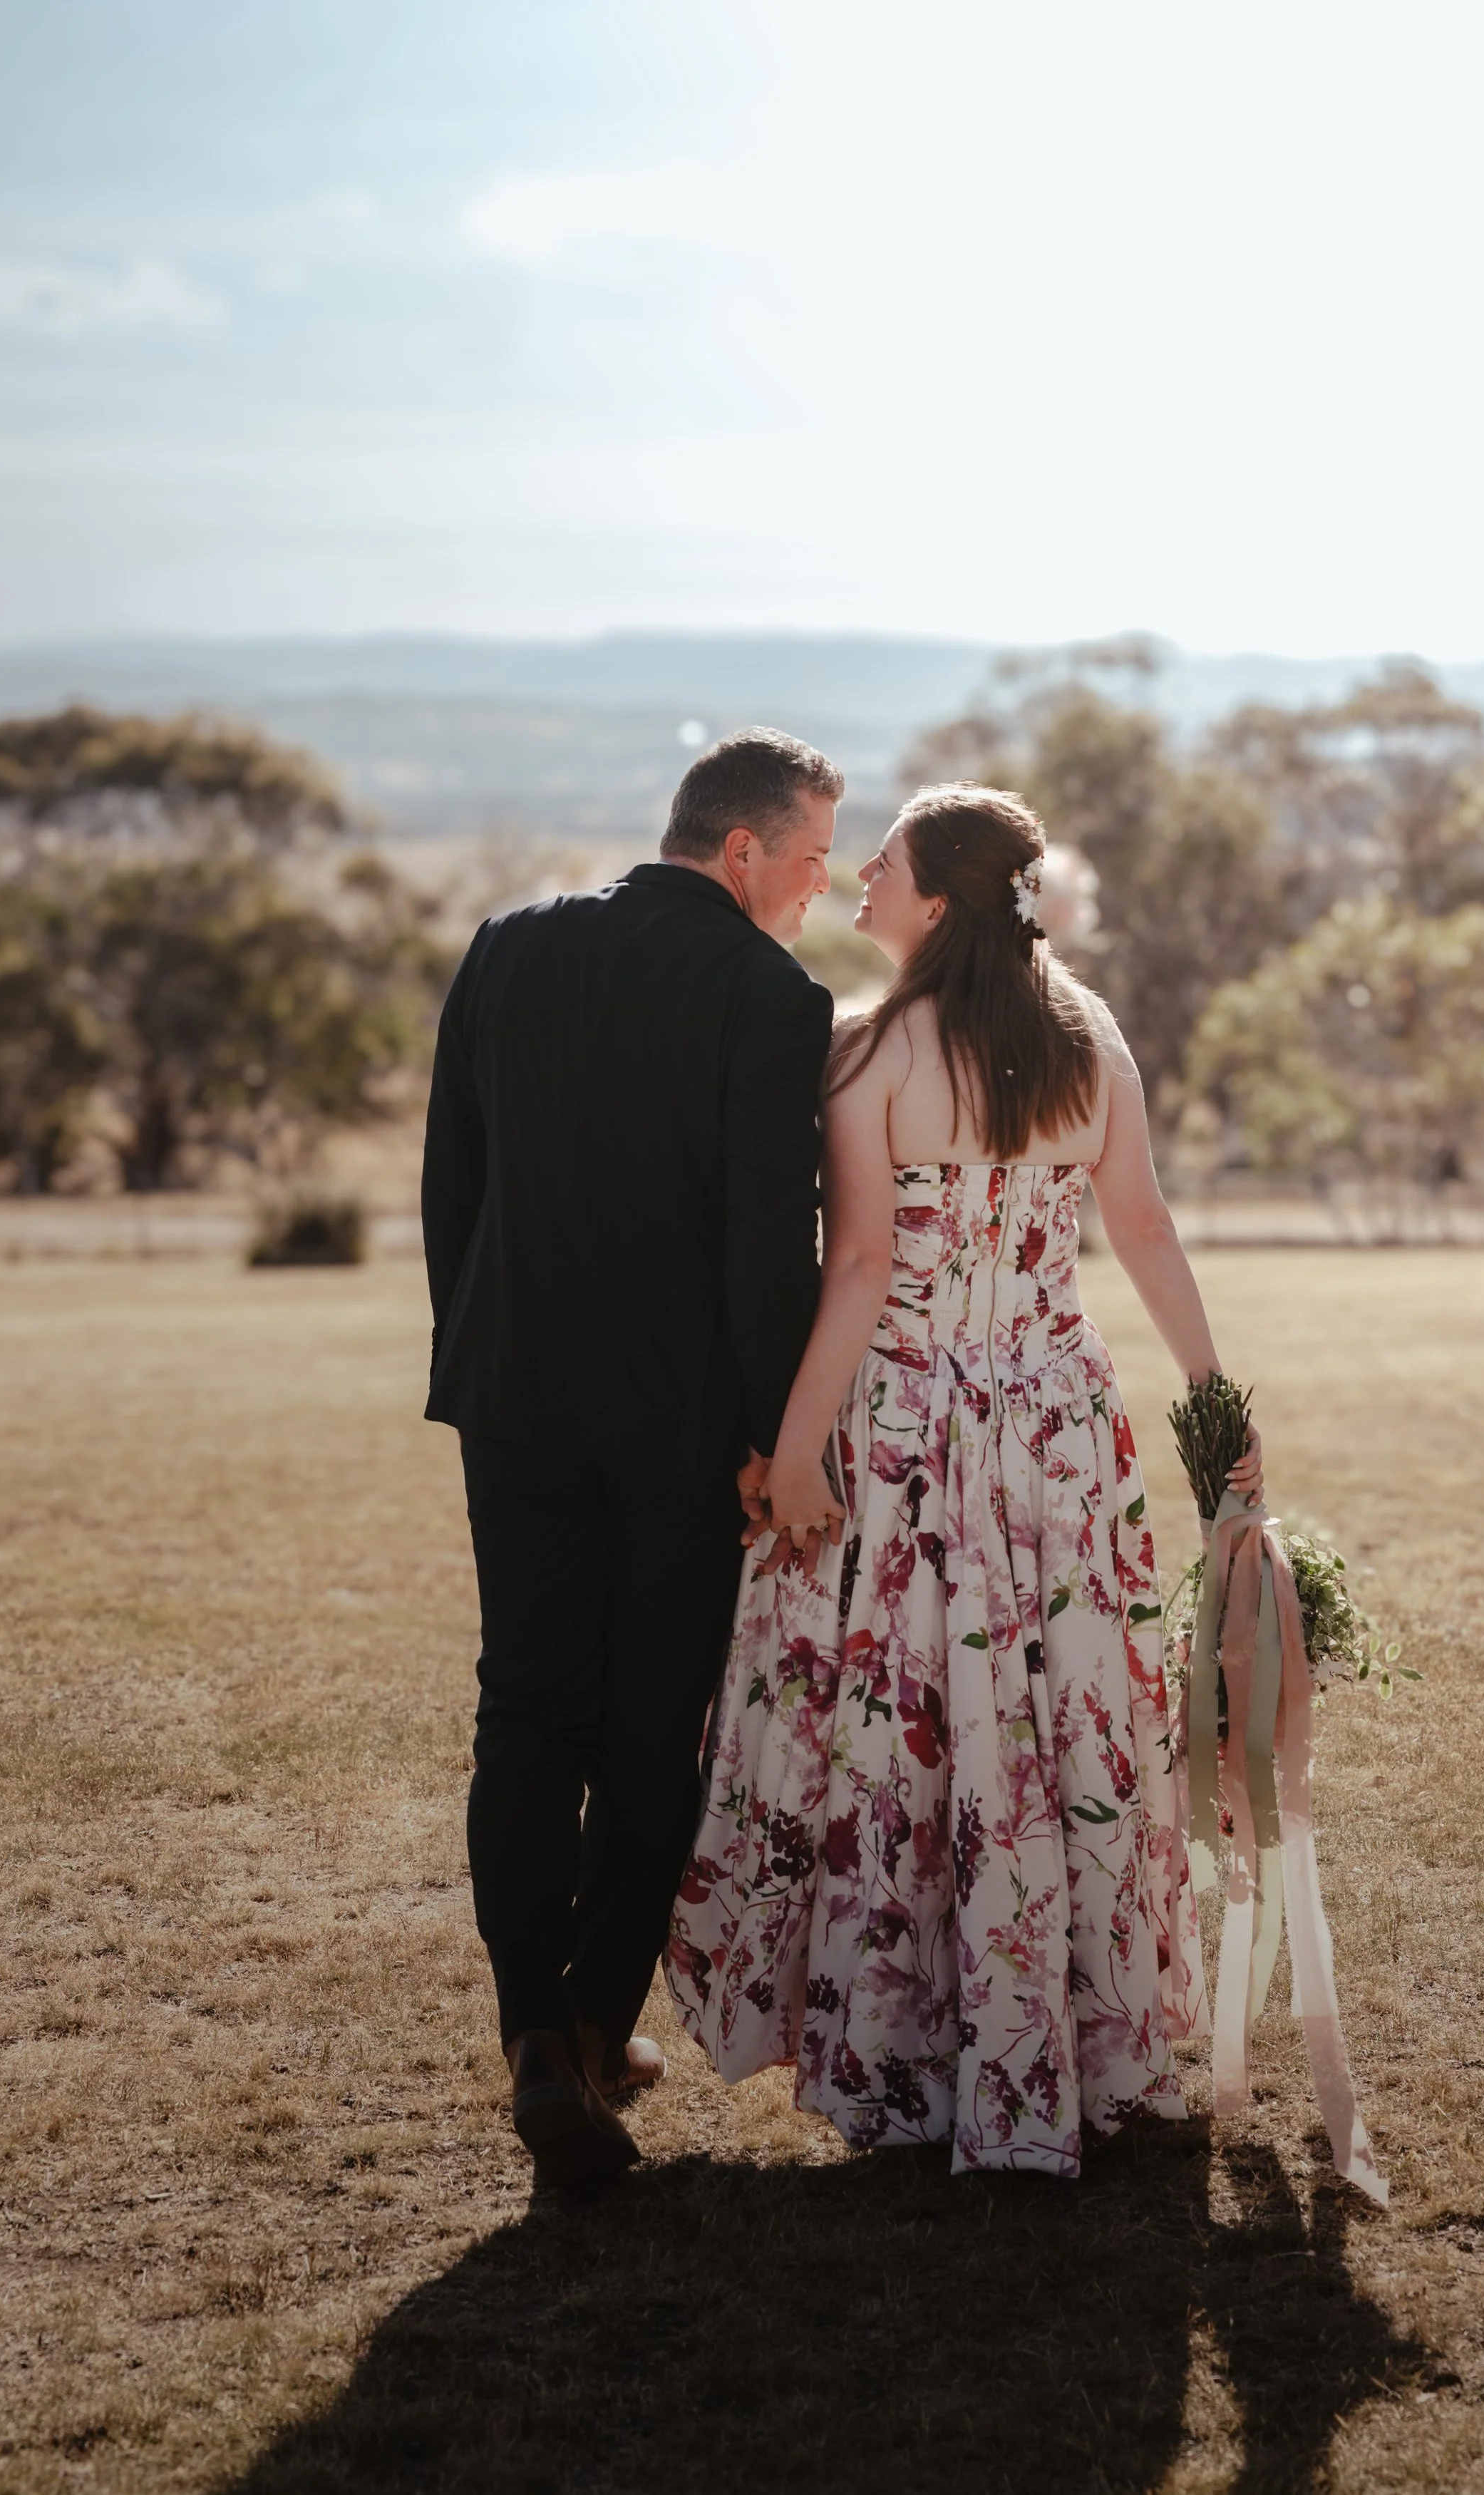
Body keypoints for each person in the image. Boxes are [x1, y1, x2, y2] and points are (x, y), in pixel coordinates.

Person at [666, 783, 1262, 2176]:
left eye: (881, 861)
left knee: (911, 1722)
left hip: (914, 1435)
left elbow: (862, 1272)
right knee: (1053, 1720)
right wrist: (1213, 1401)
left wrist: (802, 1445)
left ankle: (919, 2052)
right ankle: (1071, 2034)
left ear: (935, 902)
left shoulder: (875, 1054)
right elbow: (1144, 1229)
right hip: (1056, 1427)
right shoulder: (1086, 1038)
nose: (857, 876)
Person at [422, 728, 843, 2186]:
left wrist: (477, 1359)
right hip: (678, 1427)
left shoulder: (506, 944)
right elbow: (761, 1248)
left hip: (514, 1399)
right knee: (655, 1726)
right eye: (806, 860)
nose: (815, 887)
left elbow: (452, 1187)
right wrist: (763, 1431)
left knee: (524, 1707)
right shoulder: (767, 993)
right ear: (740, 852)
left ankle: (534, 2032)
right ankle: (600, 2027)